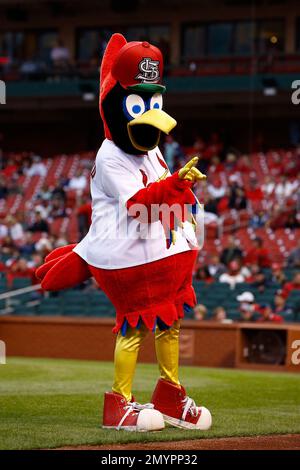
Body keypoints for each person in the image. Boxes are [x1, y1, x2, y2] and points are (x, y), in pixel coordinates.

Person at [36, 34, 212, 432]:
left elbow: (165, 187)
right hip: (127, 259)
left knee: (169, 322)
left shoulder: (150, 149)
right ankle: (119, 403)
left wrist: (181, 187)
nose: (148, 117)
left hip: (161, 255)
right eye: (138, 104)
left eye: (154, 103)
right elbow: (140, 204)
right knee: (134, 324)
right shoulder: (110, 154)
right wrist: (177, 187)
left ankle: (169, 394)